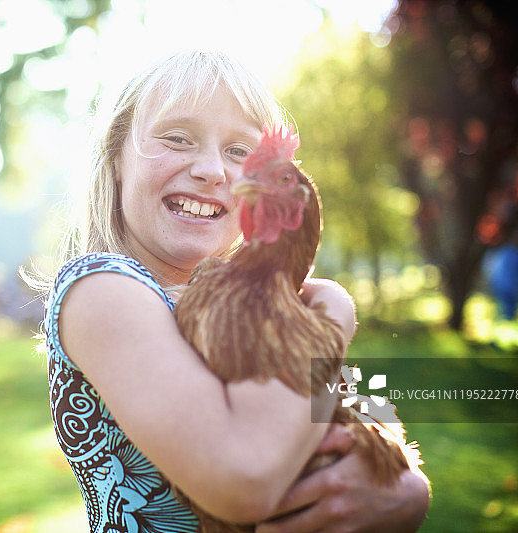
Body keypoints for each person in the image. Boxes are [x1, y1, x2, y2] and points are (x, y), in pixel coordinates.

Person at [38, 50, 430, 532]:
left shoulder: (267, 306)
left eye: (240, 151)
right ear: (117, 158)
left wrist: (409, 489)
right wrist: (331, 316)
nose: (211, 170)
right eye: (178, 138)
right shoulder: (102, 291)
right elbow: (245, 480)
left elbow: (370, 427)